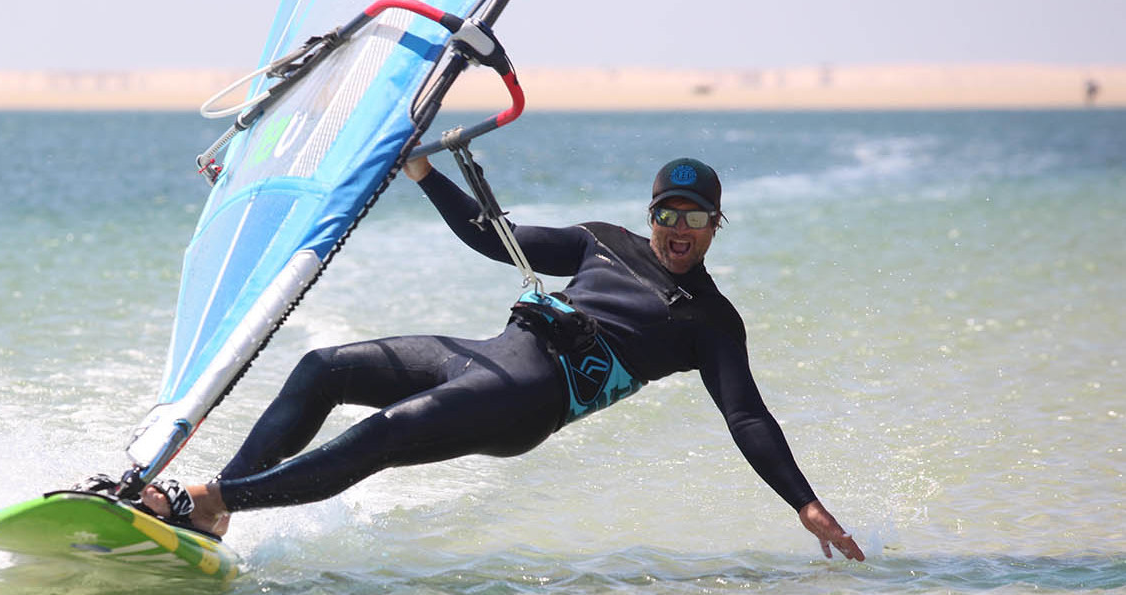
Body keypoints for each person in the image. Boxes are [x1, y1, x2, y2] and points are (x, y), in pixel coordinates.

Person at [123, 154, 865, 562]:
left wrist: (803, 502)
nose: (679, 227)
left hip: (525, 402)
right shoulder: (601, 242)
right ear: (651, 214)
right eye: (667, 212)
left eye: (695, 217)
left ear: (715, 226)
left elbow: (747, 418)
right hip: (486, 359)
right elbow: (490, 235)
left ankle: (209, 499)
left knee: (384, 433)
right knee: (324, 367)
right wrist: (421, 169)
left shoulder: (710, 321)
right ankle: (217, 512)